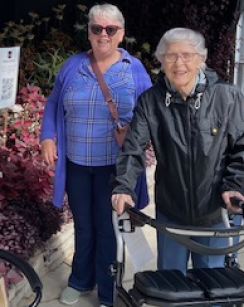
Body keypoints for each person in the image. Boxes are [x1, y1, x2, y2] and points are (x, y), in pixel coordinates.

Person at [40, 3, 152, 306]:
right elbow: (52, 104)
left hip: (113, 168)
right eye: (96, 28)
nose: (103, 34)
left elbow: (151, 113)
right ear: (88, 31)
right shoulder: (73, 65)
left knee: (106, 228)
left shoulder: (134, 69)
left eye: (110, 29)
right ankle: (80, 278)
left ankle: (107, 291)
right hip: (77, 164)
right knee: (83, 225)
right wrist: (48, 137)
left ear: (121, 34)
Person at [111, 27, 244, 275]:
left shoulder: (228, 98)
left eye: (187, 55)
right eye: (171, 56)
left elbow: (242, 147)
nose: (179, 63)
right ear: (161, 61)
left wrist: (235, 183)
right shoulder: (150, 102)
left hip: (213, 212)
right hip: (171, 213)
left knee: (213, 285)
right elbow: (133, 148)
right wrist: (123, 186)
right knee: (172, 283)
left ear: (201, 59)